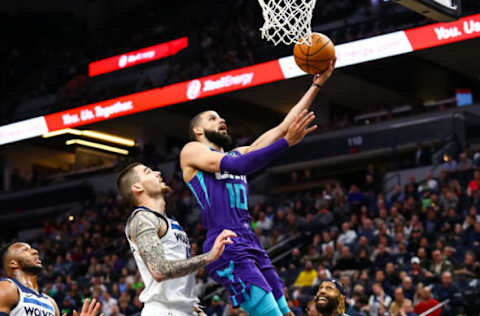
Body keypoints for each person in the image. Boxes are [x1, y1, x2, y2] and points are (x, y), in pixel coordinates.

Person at [180, 64, 335, 316]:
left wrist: (317, 84)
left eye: (221, 117)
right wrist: (286, 143)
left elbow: (284, 126)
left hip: (251, 241)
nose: (221, 120)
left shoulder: (238, 152)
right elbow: (240, 166)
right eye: (212, 118)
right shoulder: (191, 151)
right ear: (198, 131)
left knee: (286, 312)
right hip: (226, 243)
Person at [116, 163, 237, 316]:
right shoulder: (142, 219)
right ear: (138, 188)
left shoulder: (170, 222)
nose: (158, 172)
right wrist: (209, 257)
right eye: (148, 172)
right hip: (163, 311)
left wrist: (192, 306)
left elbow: (176, 277)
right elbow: (159, 270)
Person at [0, 242, 104, 316]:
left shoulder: (50, 302)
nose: (35, 251)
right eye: (25, 250)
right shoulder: (7, 288)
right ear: (13, 263)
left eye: (32, 248)